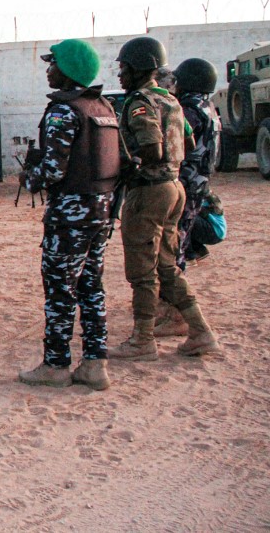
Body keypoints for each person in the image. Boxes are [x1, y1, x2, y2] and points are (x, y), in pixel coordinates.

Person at [109, 37, 220, 360]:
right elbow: (186, 139)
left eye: (124, 68)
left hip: (148, 191)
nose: (120, 74)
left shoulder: (139, 102)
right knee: (167, 266)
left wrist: (124, 165)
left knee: (142, 270)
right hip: (175, 188)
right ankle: (200, 330)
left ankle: (142, 340)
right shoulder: (171, 101)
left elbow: (151, 146)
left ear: (139, 67)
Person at [17, 40, 117, 390]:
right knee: (92, 289)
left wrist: (28, 178)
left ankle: (56, 365)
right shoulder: (102, 107)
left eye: (53, 64)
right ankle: (95, 364)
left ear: (69, 69)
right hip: (100, 213)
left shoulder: (64, 111)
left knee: (60, 290)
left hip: (70, 218)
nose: (48, 69)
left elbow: (52, 172)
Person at [154, 58, 221, 337]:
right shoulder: (208, 107)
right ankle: (171, 310)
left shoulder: (189, 109)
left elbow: (175, 145)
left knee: (172, 249)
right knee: (176, 245)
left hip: (184, 184)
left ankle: (176, 315)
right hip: (198, 185)